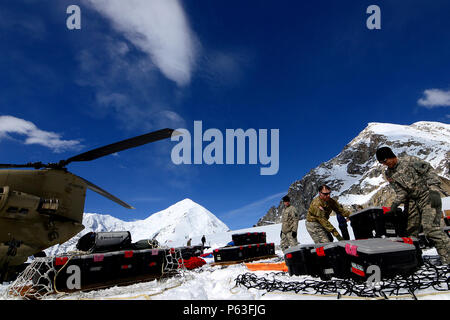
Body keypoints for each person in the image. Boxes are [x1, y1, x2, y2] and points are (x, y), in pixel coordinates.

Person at [376, 146, 449, 264]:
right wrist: (394, 206)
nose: (384, 164)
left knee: (430, 228)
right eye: (381, 163)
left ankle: (448, 258)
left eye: (385, 161)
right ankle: (414, 260)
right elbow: (401, 192)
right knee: (410, 231)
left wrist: (434, 189)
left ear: (391, 156)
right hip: (411, 201)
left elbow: (429, 170)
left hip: (427, 195)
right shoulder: (389, 173)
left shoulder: (410, 161)